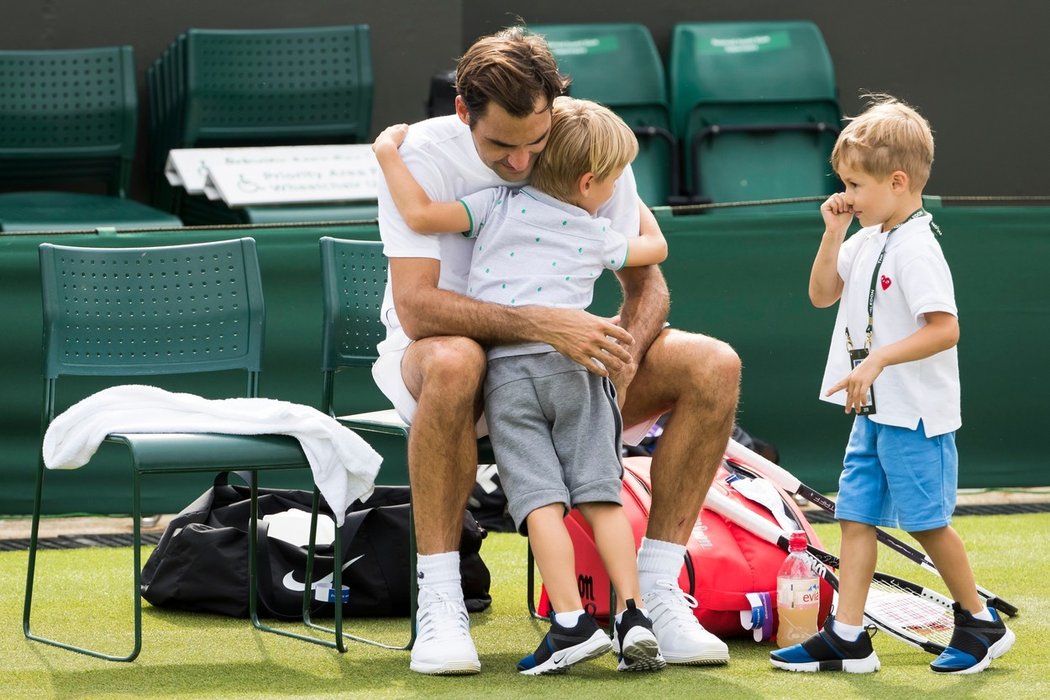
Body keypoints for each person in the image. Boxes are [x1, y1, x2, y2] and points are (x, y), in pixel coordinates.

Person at [372, 26, 740, 676]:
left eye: (534, 143)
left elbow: (647, 282)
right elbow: (419, 309)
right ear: (463, 112)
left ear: (555, 107)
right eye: (500, 146)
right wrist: (543, 324)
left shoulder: (582, 142)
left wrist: (620, 361)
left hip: (566, 370)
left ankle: (652, 597)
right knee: (459, 358)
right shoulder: (424, 154)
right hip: (442, 361)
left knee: (713, 363)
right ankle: (441, 599)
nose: (521, 163)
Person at [771, 95, 1014, 675]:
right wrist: (832, 232)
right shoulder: (867, 235)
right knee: (855, 520)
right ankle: (848, 636)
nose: (846, 195)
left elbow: (946, 329)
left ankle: (980, 620)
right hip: (873, 415)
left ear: (898, 181)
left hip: (916, 417)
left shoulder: (917, 248)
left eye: (854, 184)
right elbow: (822, 294)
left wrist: (877, 360)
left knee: (928, 523)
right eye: (844, 183)